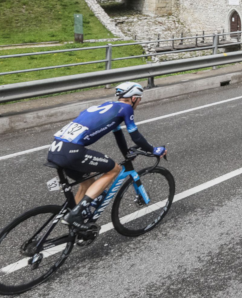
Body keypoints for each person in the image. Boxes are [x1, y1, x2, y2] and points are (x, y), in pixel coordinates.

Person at [47, 82, 167, 232]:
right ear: (134, 98)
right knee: (114, 170)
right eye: (139, 99)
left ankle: (75, 226)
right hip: (72, 151)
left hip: (55, 149)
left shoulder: (108, 106)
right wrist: (154, 150)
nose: (139, 102)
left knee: (87, 181)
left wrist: (127, 154)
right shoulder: (126, 108)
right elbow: (136, 137)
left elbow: (118, 134)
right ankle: (75, 215)